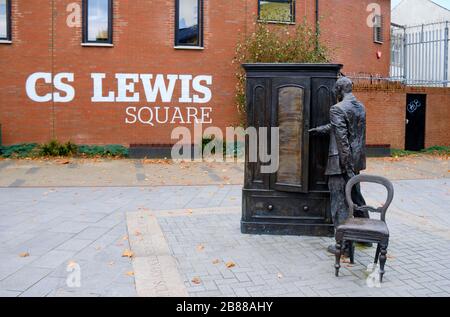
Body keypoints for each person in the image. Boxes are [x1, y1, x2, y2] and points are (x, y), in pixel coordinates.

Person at [309, 76, 370, 254]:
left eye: (336, 90)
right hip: (356, 160)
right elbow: (341, 128)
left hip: (340, 163)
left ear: (339, 90)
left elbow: (342, 141)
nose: (335, 93)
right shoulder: (360, 107)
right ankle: (365, 236)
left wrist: (347, 168)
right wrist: (318, 130)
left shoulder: (337, 108)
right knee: (356, 197)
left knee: (339, 203)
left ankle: (343, 245)